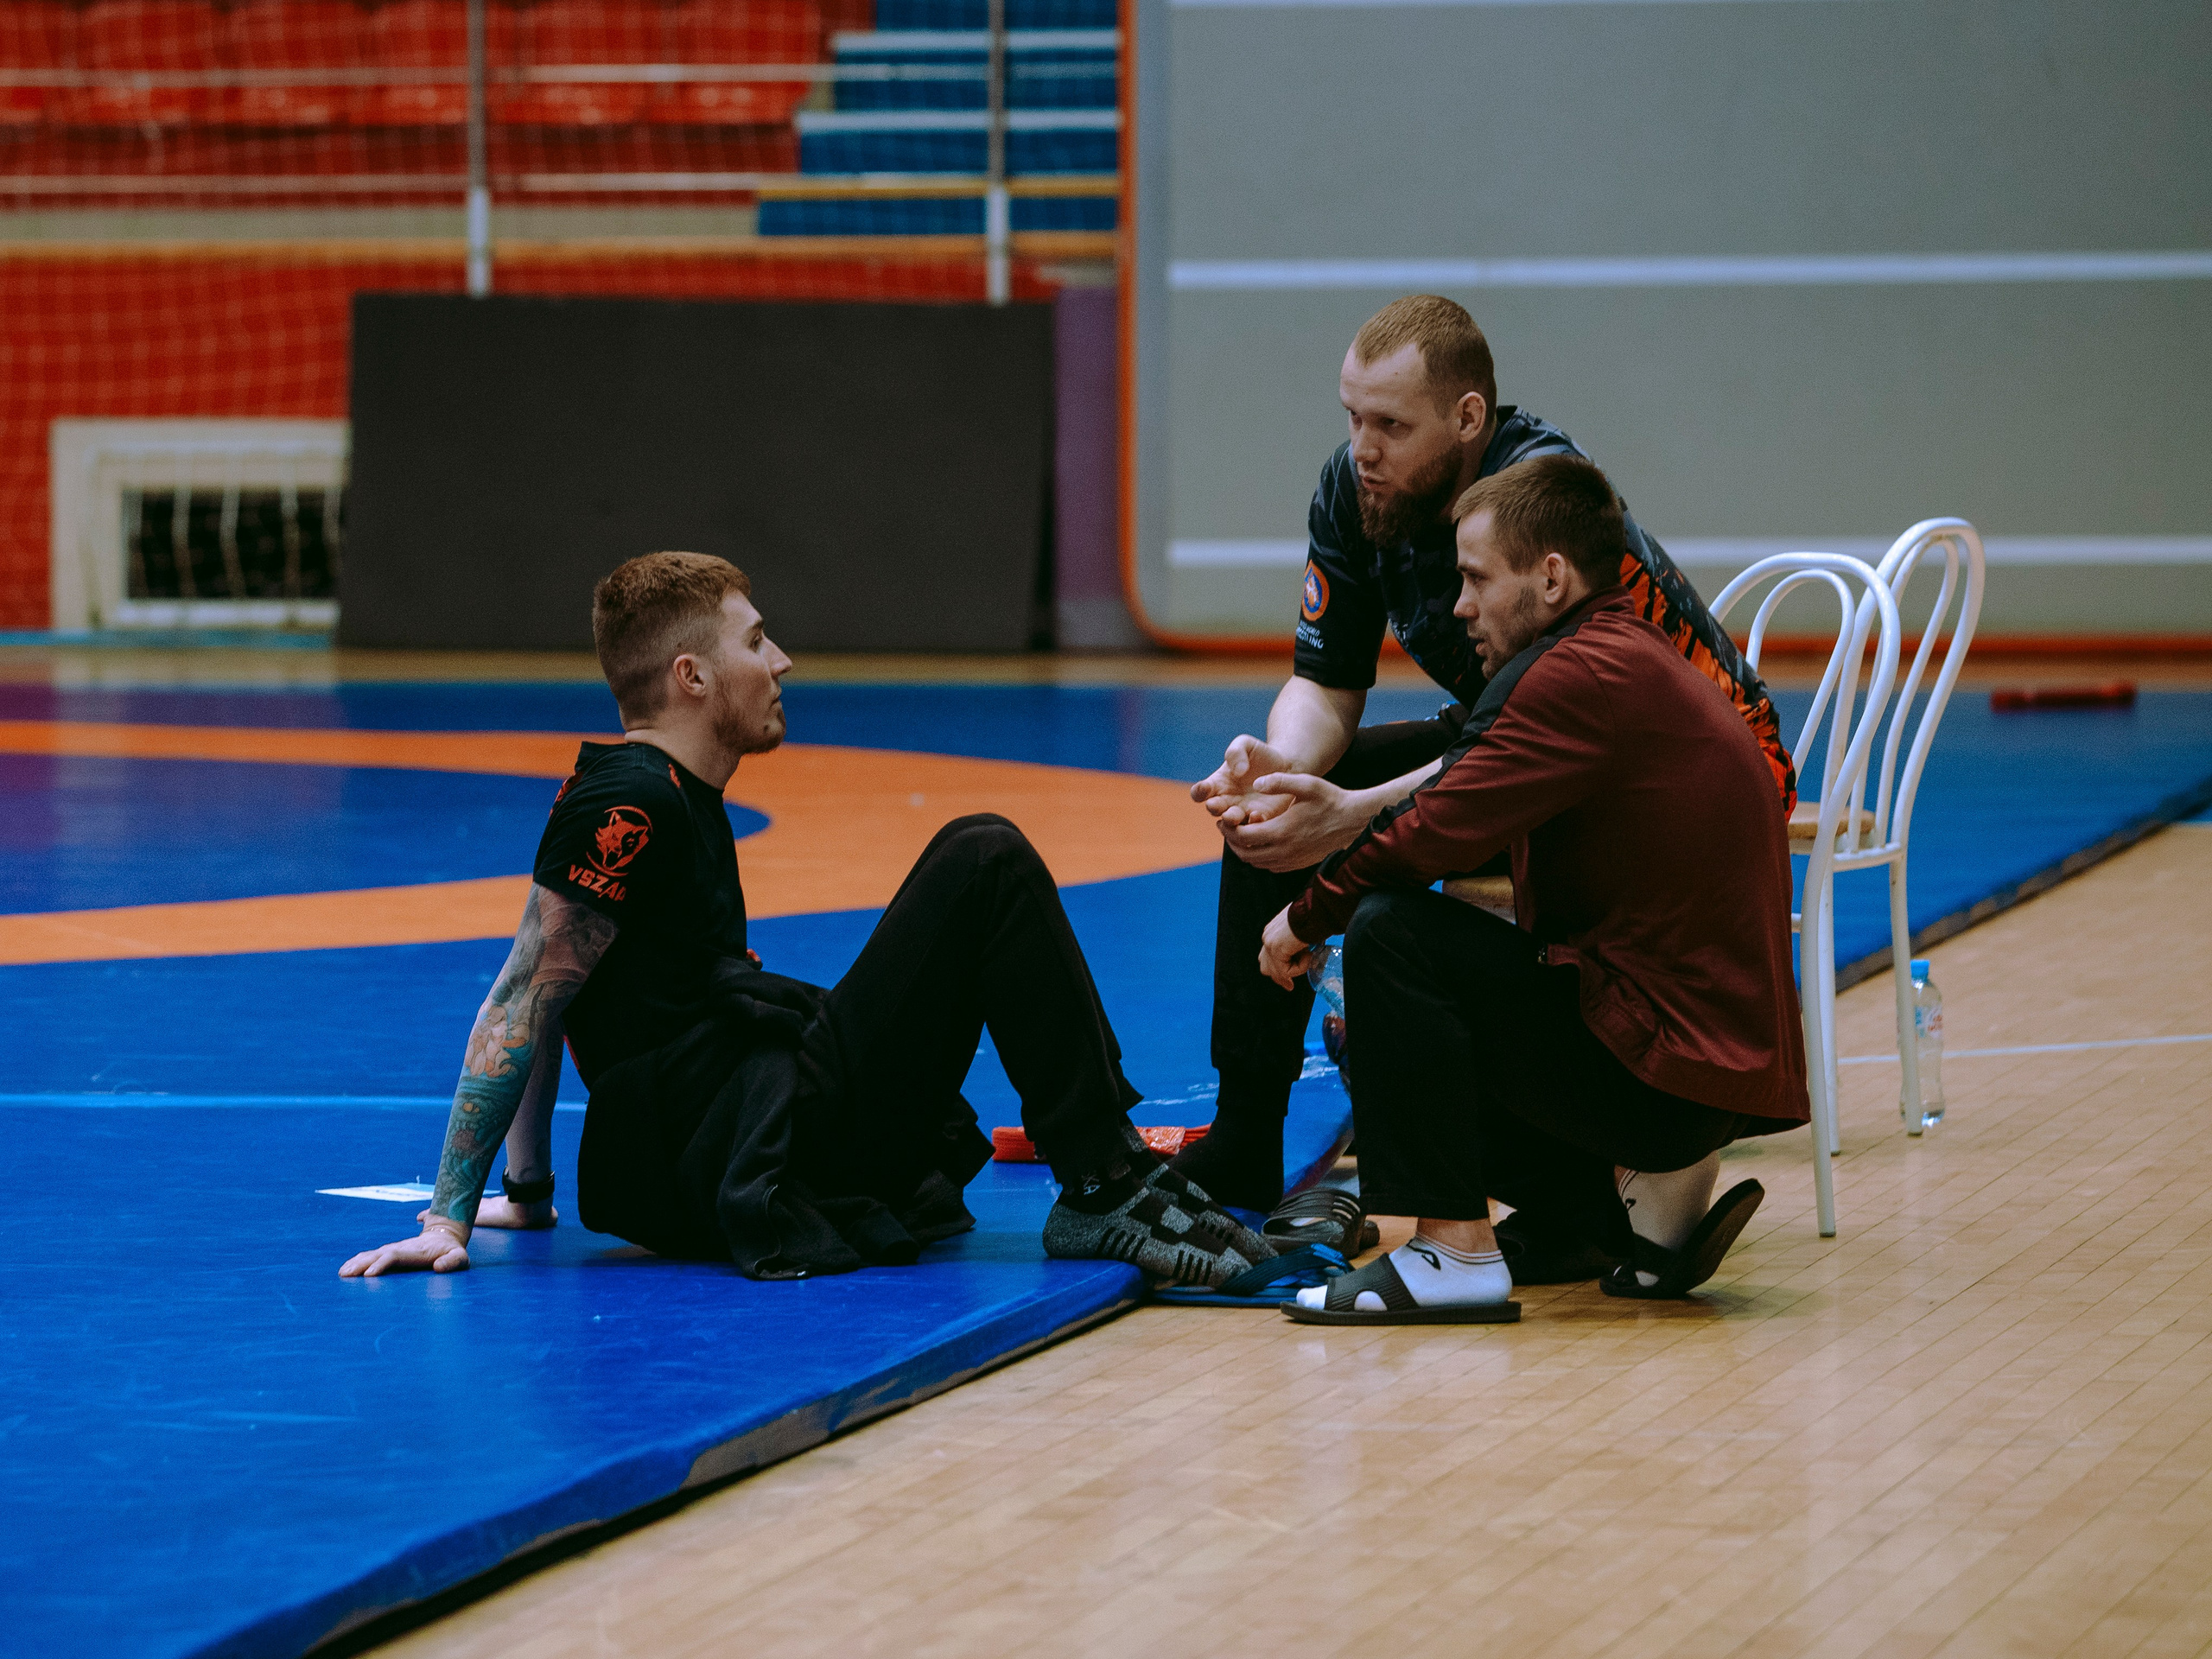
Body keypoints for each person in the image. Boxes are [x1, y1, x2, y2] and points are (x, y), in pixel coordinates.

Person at [341, 551, 1275, 1287]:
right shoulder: (630, 800)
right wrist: (445, 1219)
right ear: (692, 676)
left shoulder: (665, 791)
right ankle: (1104, 1182)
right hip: (731, 1148)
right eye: (755, 642)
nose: (780, 660)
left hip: (747, 1120)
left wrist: (533, 1194)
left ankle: (1105, 1172)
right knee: (981, 855)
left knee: (975, 866)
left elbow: (550, 985)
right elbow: (523, 998)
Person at [1180, 294, 1796, 1223]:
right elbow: (1328, 682)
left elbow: (1548, 741)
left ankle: (1543, 1174)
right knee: (1268, 818)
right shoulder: (1358, 489)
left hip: (1681, 767)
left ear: (1467, 420)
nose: (1363, 448)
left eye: (1390, 424)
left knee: (1374, 890)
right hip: (1533, 741)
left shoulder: (1539, 499)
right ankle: (1247, 1136)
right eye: (1351, 418)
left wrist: (1343, 826)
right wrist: (1282, 764)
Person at [1241, 454, 1808, 1323]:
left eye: (1474, 579)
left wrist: (1305, 915)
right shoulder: (1625, 654)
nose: (1457, 605)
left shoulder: (1574, 676)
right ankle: (1603, 1218)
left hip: (1668, 1080)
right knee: (1431, 970)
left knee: (1389, 936)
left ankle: (1450, 1253)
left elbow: (1432, 825)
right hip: (1705, 1075)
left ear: (1550, 578)